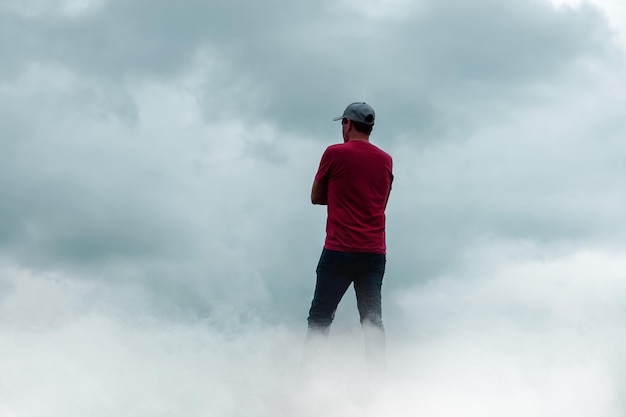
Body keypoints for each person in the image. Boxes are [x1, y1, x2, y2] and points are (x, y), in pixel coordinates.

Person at [306, 102, 393, 374]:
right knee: (372, 321)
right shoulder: (385, 159)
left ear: (347, 124)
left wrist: (340, 195)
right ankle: (379, 381)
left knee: (320, 317)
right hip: (374, 252)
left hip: (339, 249)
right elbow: (381, 202)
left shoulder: (334, 153)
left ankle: (308, 379)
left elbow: (315, 197)